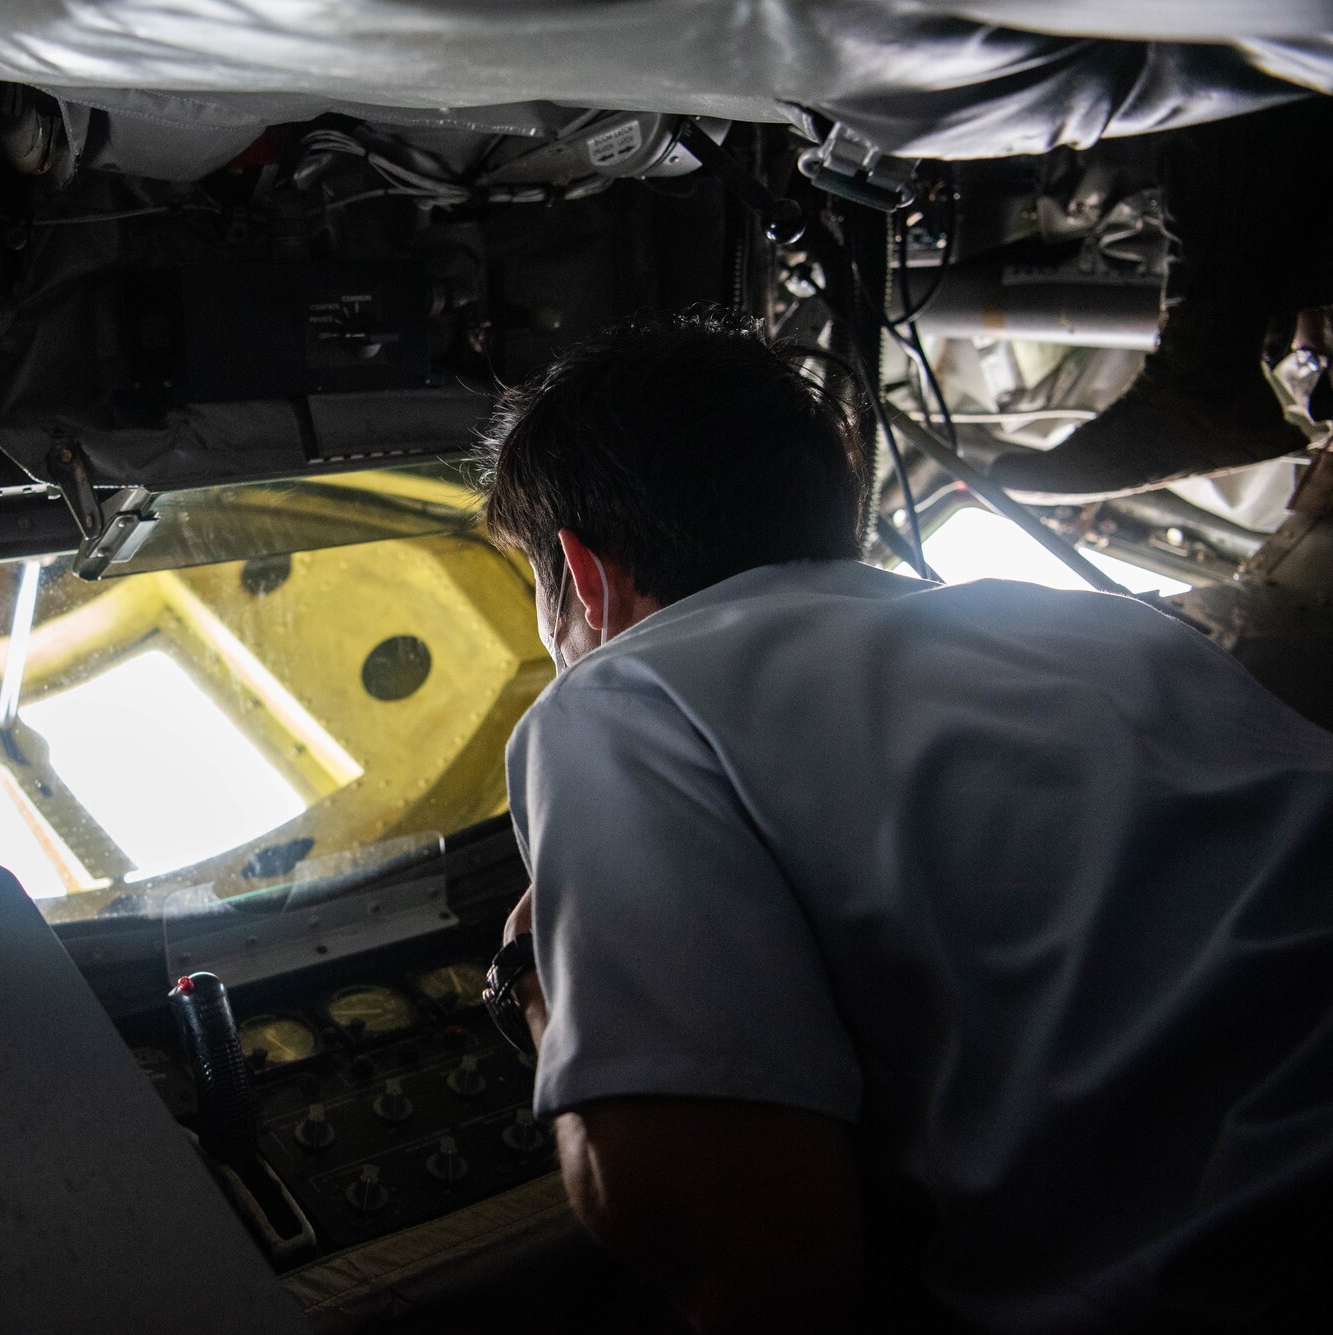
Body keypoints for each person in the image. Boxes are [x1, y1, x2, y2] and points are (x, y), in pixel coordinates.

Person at [475, 307, 1333, 1334]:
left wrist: (531, 984)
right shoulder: (1099, 625)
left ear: (579, 575)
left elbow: (747, 1260)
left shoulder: (617, 695)